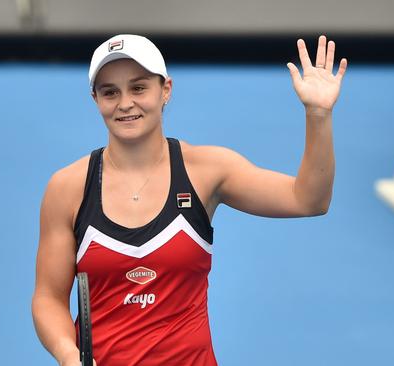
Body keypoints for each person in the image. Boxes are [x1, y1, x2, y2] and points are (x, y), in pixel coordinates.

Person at [32, 34, 347, 366]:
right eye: (110, 92)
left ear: (165, 89)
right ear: (96, 99)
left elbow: (309, 199)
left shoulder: (208, 171)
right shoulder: (67, 188)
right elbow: (48, 299)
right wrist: (69, 355)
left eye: (139, 88)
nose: (125, 103)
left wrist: (318, 114)